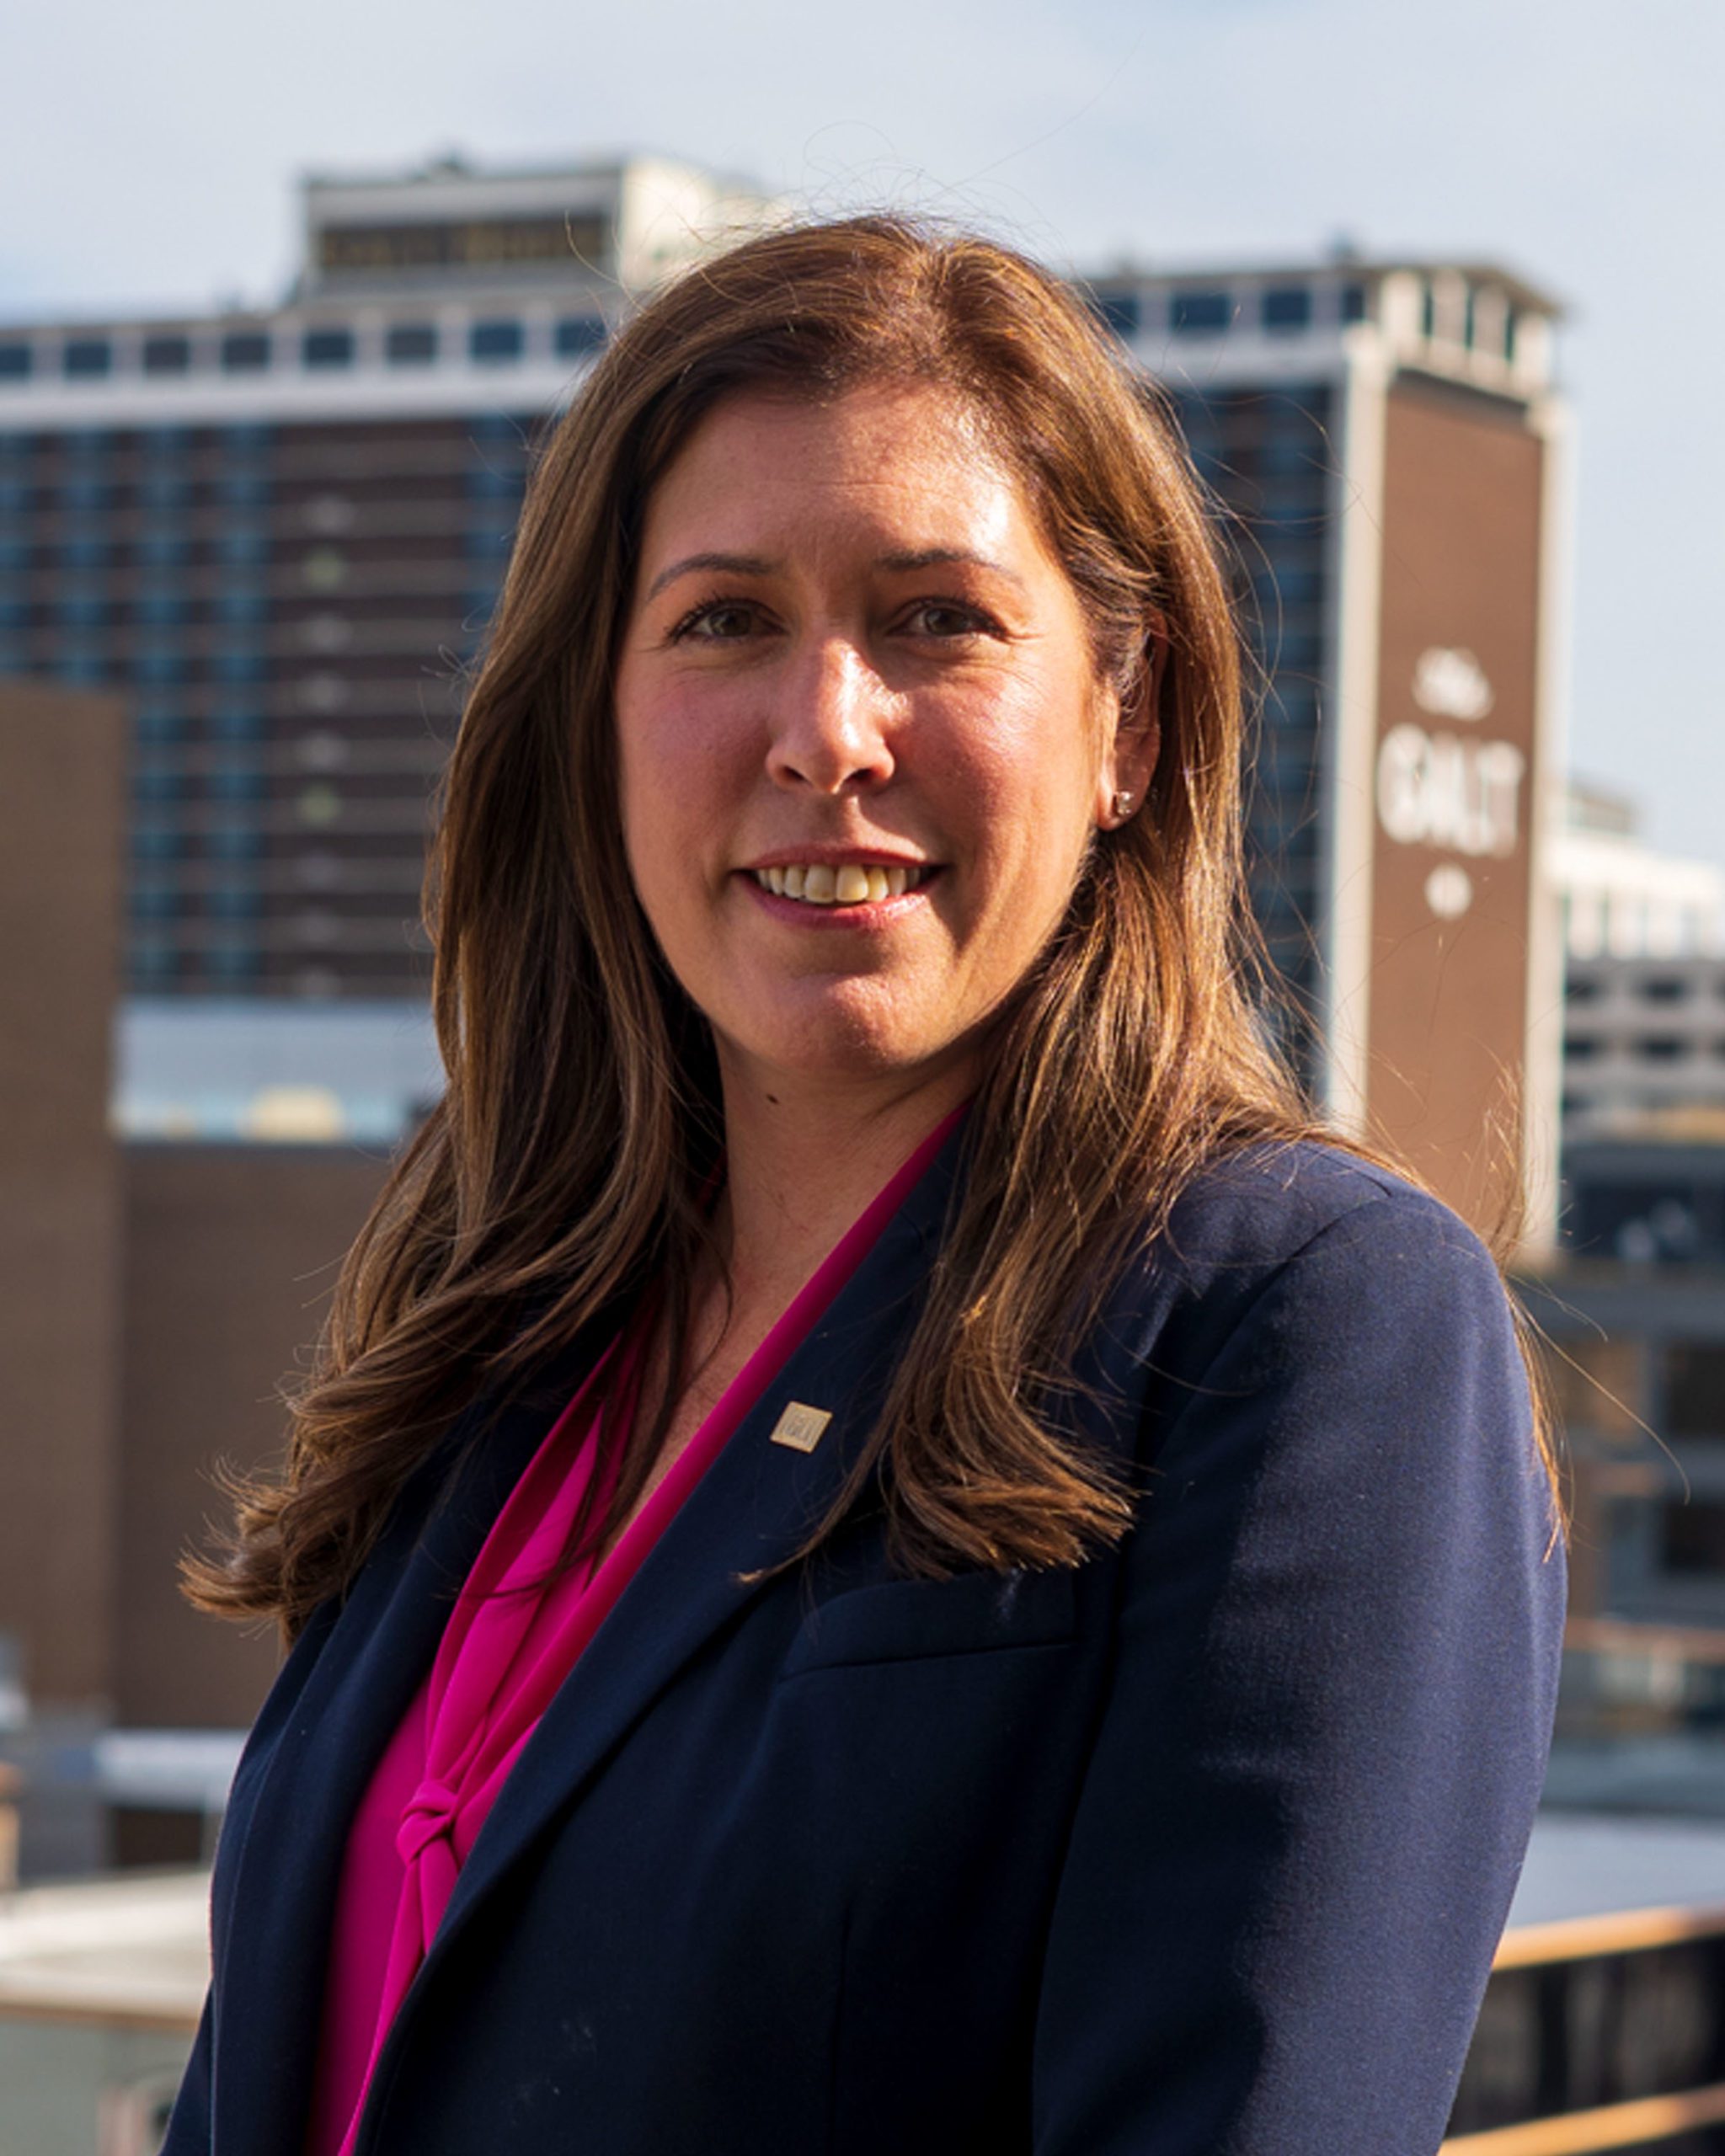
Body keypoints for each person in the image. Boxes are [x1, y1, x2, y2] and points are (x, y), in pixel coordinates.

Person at [167, 216, 1565, 2156]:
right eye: (722, 620)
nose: (826, 730)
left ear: (1126, 720)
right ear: (598, 718)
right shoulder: (496, 1336)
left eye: (936, 618)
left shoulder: (1294, 1326)